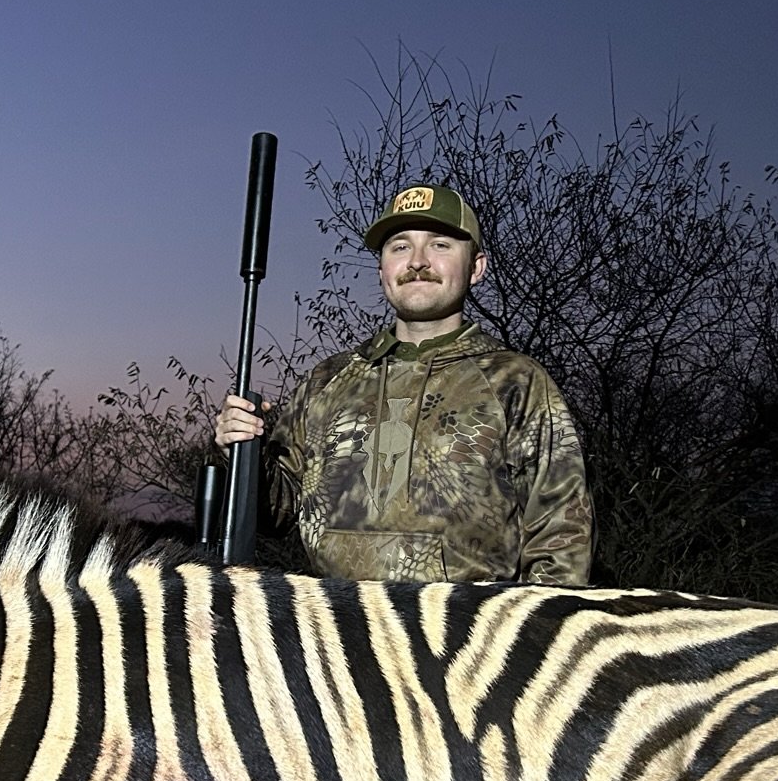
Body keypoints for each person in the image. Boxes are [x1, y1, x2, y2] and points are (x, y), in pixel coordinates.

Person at [214, 183, 593, 585]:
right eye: (399, 247)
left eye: (440, 245)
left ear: (476, 267)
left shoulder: (515, 379)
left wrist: (537, 638)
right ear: (382, 271)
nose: (417, 261)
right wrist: (239, 452)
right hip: (337, 630)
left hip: (466, 638)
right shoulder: (327, 380)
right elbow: (277, 512)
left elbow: (561, 535)